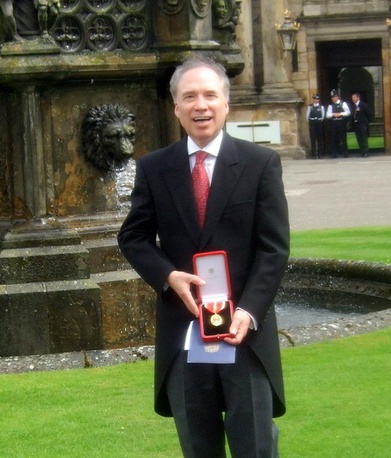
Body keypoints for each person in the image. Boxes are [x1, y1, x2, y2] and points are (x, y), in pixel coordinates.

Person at [117, 56, 290, 458]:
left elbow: (274, 246)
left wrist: (250, 310)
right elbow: (133, 236)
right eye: (189, 96)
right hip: (185, 331)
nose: (201, 105)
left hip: (245, 333)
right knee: (199, 448)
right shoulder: (154, 167)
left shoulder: (260, 163)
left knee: (255, 447)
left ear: (226, 104)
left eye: (210, 95)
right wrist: (167, 276)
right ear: (175, 106)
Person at [326, 89, 350, 158]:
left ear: (337, 97)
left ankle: (345, 152)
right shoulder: (330, 106)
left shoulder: (343, 103)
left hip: (341, 122)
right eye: (332, 97)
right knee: (333, 138)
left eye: (334, 97)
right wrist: (333, 114)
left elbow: (348, 112)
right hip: (334, 123)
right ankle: (334, 153)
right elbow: (327, 115)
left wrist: (340, 114)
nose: (332, 99)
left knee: (343, 138)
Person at [351, 92, 371, 158]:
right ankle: (362, 152)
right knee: (359, 139)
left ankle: (366, 152)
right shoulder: (353, 106)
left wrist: (365, 122)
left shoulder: (363, 105)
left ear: (358, 97)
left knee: (364, 138)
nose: (353, 99)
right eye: (352, 97)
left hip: (362, 124)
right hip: (356, 125)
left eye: (354, 97)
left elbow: (368, 113)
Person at [306, 94, 325, 159]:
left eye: (317, 99)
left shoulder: (321, 106)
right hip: (312, 122)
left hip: (318, 122)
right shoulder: (310, 107)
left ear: (319, 100)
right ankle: (313, 154)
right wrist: (310, 121)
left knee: (319, 139)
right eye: (315, 99)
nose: (316, 100)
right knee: (312, 139)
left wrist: (319, 120)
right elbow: (307, 115)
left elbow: (323, 115)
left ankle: (320, 154)